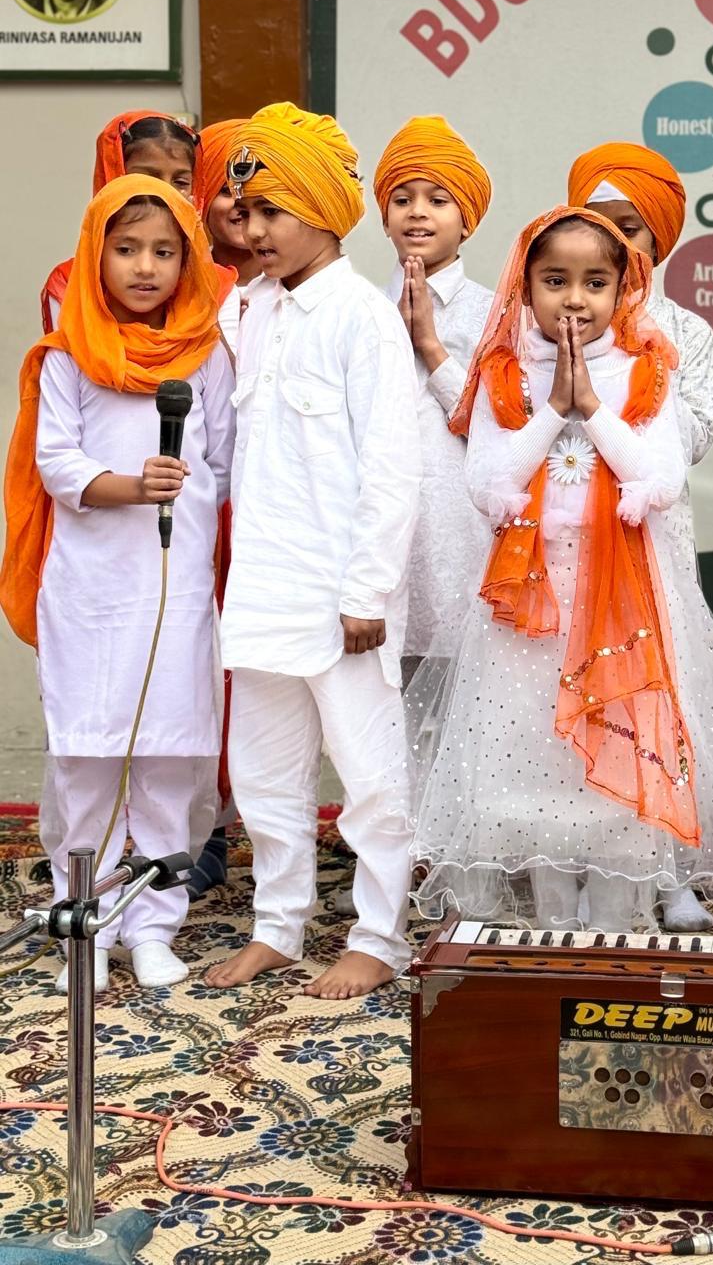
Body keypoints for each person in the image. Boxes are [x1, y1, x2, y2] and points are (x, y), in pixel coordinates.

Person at [410, 206, 713, 931]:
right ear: (525, 285)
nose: (574, 298)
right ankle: (549, 939)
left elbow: (656, 479)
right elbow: (486, 487)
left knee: (612, 772)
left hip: (621, 607)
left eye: (594, 281)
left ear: (622, 289)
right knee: (534, 770)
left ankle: (613, 938)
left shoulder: (644, 369)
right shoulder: (501, 373)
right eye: (555, 280)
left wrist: (591, 407)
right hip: (526, 613)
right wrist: (549, 414)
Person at [204, 103, 421, 1000]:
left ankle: (377, 935)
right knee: (264, 774)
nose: (251, 231)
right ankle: (277, 927)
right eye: (243, 214)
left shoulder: (362, 318)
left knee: (369, 777)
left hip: (343, 596)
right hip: (261, 587)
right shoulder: (248, 309)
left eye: (270, 213)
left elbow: (392, 466)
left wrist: (368, 587)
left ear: (325, 212)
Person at [0, 176, 234, 991]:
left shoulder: (207, 356)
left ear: (187, 263)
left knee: (170, 758)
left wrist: (179, 496)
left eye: (164, 252)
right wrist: (134, 487)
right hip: (94, 595)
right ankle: (87, 926)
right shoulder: (66, 356)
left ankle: (154, 926)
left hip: (175, 592)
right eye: (126, 249)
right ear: (94, 257)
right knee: (89, 760)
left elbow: (225, 461)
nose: (145, 267)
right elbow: (57, 463)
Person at [568, 141, 713, 934]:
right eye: (602, 225)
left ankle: (668, 876)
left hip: (654, 544)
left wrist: (628, 377)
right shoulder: (554, 322)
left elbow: (689, 439)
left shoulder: (683, 329)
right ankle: (588, 865)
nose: (620, 243)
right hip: (575, 549)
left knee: (663, 708)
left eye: (632, 227)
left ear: (659, 238)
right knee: (595, 706)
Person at [374, 115, 493, 670]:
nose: (418, 211)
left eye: (438, 199)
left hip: (460, 534)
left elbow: (499, 424)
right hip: (381, 535)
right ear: (384, 217)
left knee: (458, 728)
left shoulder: (498, 311)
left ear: (465, 220)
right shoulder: (362, 307)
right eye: (402, 199)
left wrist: (428, 344)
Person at [41, 111, 236, 333]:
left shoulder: (217, 288)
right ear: (113, 177)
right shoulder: (69, 285)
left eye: (180, 182)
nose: (164, 192)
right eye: (148, 179)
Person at [198, 118, 264, 354]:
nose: (242, 203)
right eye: (227, 190)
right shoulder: (182, 287)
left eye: (256, 191)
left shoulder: (294, 290)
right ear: (203, 197)